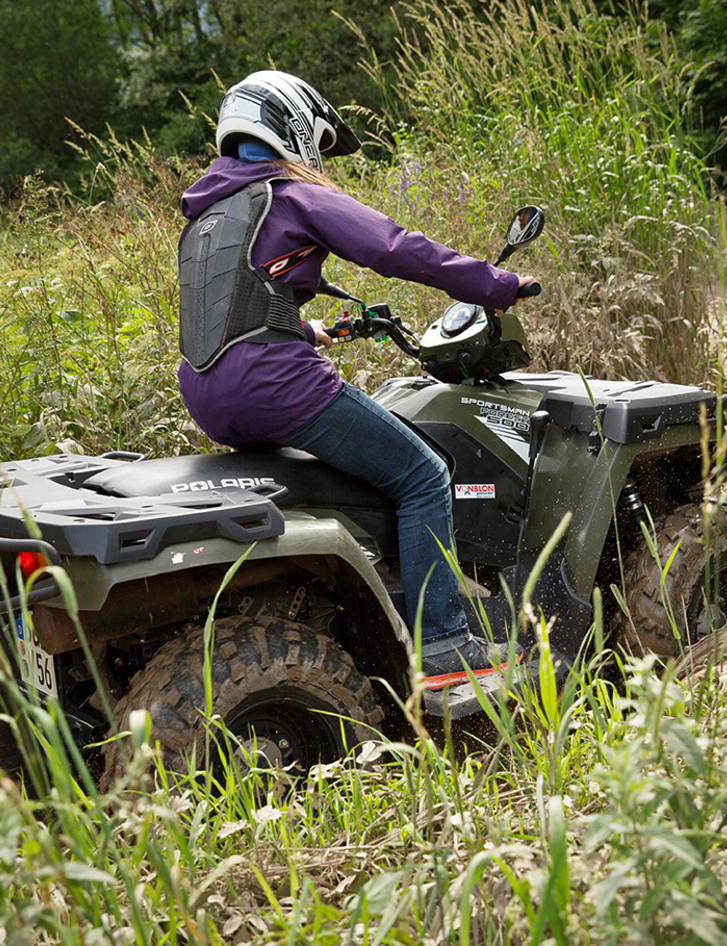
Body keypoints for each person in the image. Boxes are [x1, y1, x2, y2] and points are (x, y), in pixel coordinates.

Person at [176, 71, 534, 690]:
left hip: (207, 393)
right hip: (273, 386)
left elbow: (233, 304)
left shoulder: (205, 215)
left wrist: (303, 329)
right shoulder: (289, 195)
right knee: (424, 474)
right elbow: (396, 248)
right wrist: (496, 284)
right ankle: (446, 640)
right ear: (291, 129)